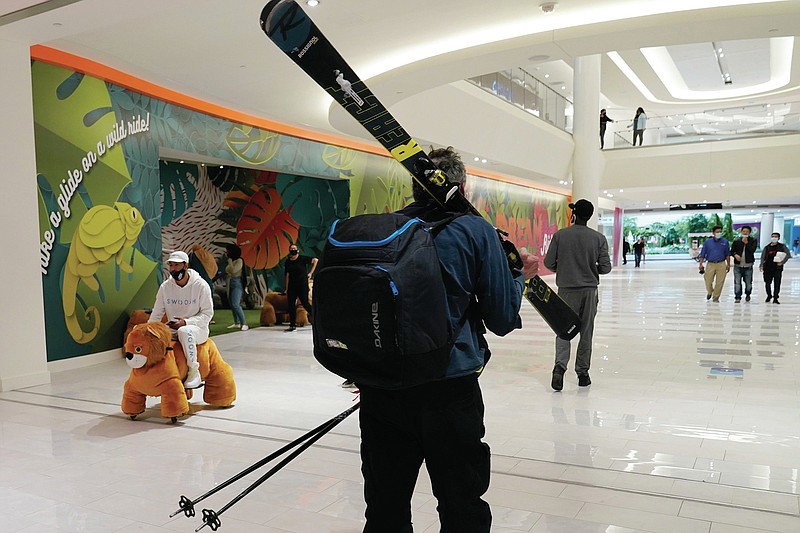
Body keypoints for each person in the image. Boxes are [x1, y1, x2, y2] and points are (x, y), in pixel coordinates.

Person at [357, 147, 539, 533]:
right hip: (450, 389)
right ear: (462, 185)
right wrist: (521, 276)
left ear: (414, 187)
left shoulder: (385, 228)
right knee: (461, 504)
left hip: (383, 389)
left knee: (385, 507)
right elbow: (502, 319)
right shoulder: (475, 231)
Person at [543, 199, 612, 391]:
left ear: (574, 214)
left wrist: (563, 268)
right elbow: (606, 267)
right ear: (589, 216)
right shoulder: (598, 238)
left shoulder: (560, 236)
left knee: (563, 330)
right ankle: (583, 373)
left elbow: (548, 263)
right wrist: (590, 269)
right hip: (589, 291)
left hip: (566, 291)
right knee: (586, 332)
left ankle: (559, 368)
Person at [148, 250, 213, 389]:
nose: (173, 269)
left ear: (186, 265)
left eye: (176, 265)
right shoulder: (165, 287)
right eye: (171, 265)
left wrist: (186, 322)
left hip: (197, 329)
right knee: (153, 333)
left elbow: (208, 314)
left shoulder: (201, 285)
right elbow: (157, 313)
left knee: (184, 331)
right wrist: (148, 330)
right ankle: (154, 373)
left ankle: (194, 372)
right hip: (172, 327)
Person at [283, 243, 317, 332]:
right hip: (292, 286)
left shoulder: (302, 259)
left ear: (298, 250)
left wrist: (310, 273)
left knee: (305, 303)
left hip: (302, 285)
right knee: (291, 305)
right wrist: (286, 288)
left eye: (294, 248)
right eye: (291, 249)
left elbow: (315, 260)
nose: (293, 250)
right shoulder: (288, 262)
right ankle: (292, 325)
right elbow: (287, 275)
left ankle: (316, 320)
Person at [697, 226, 731, 303]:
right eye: (717, 232)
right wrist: (700, 264)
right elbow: (702, 254)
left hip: (721, 263)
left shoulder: (725, 242)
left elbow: (727, 254)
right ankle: (710, 291)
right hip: (710, 264)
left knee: (720, 282)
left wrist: (728, 264)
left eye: (720, 232)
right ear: (713, 233)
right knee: (708, 280)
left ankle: (716, 297)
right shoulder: (708, 242)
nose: (719, 233)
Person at [760, 233, 791, 304]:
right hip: (767, 267)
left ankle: (776, 297)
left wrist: (782, 262)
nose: (774, 238)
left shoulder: (782, 246)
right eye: (773, 236)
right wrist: (761, 265)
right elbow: (763, 257)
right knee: (767, 283)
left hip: (777, 268)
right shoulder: (767, 247)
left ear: (779, 238)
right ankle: (769, 295)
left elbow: (788, 254)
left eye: (776, 237)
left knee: (777, 283)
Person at [224, 243, 248, 331]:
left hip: (237, 283)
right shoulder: (232, 261)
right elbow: (227, 270)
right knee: (231, 303)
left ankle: (244, 323)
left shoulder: (239, 260)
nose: (226, 252)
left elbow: (234, 271)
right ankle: (237, 322)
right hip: (230, 282)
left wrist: (230, 263)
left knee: (236, 303)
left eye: (228, 251)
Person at [730, 226, 757, 303]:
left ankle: (748, 294)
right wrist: (735, 255)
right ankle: (737, 297)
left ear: (749, 232)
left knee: (748, 283)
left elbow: (752, 250)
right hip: (738, 266)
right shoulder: (736, 241)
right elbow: (732, 251)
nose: (745, 233)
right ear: (741, 232)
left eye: (747, 231)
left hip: (748, 266)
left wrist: (747, 243)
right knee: (737, 282)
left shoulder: (753, 240)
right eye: (744, 231)